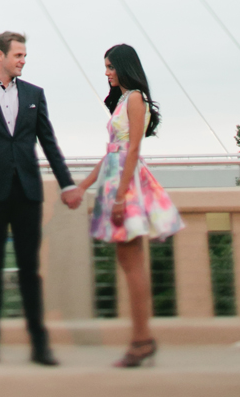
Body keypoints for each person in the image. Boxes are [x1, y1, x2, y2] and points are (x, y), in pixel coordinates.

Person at [0, 31, 82, 366]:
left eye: (25, 56)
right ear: (0, 55)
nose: (23, 61)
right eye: (18, 56)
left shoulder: (34, 95)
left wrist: (67, 184)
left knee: (30, 270)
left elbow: (49, 144)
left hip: (27, 193)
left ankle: (40, 346)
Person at [71, 43, 183, 368]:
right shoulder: (121, 100)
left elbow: (132, 149)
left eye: (110, 66)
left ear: (123, 66)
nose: (106, 73)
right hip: (115, 179)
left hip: (125, 184)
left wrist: (120, 196)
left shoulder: (134, 98)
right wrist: (83, 186)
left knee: (132, 262)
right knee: (128, 261)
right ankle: (141, 339)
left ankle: (142, 340)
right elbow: (112, 151)